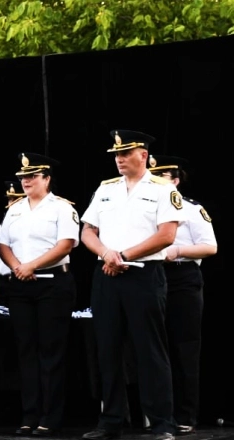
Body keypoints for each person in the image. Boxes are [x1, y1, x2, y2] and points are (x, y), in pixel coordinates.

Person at [80, 130, 181, 440]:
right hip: (107, 275)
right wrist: (107, 254)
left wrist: (123, 255)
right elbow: (87, 231)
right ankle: (110, 421)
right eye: (116, 155)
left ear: (143, 155)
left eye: (126, 153)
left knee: (149, 350)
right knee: (107, 349)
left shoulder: (163, 189)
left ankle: (161, 422)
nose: (119, 159)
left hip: (143, 275)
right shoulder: (105, 188)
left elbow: (166, 235)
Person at [0, 153, 79, 436]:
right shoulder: (15, 209)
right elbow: (3, 245)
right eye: (23, 177)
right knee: (26, 351)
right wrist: (18, 267)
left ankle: (50, 417)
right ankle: (29, 415)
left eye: (32, 176)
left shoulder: (61, 207)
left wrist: (31, 265)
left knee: (51, 352)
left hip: (52, 284)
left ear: (46, 178)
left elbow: (65, 245)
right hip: (20, 285)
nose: (26, 181)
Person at [148, 155, 217, 435]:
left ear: (174, 180)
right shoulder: (146, 208)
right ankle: (158, 414)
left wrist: (178, 250)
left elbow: (209, 247)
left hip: (182, 277)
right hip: (152, 274)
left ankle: (185, 414)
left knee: (183, 347)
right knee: (153, 347)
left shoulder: (191, 209)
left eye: (160, 177)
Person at [0, 181, 25, 308]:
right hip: (5, 284)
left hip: (30, 280)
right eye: (10, 199)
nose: (12, 203)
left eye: (17, 199)